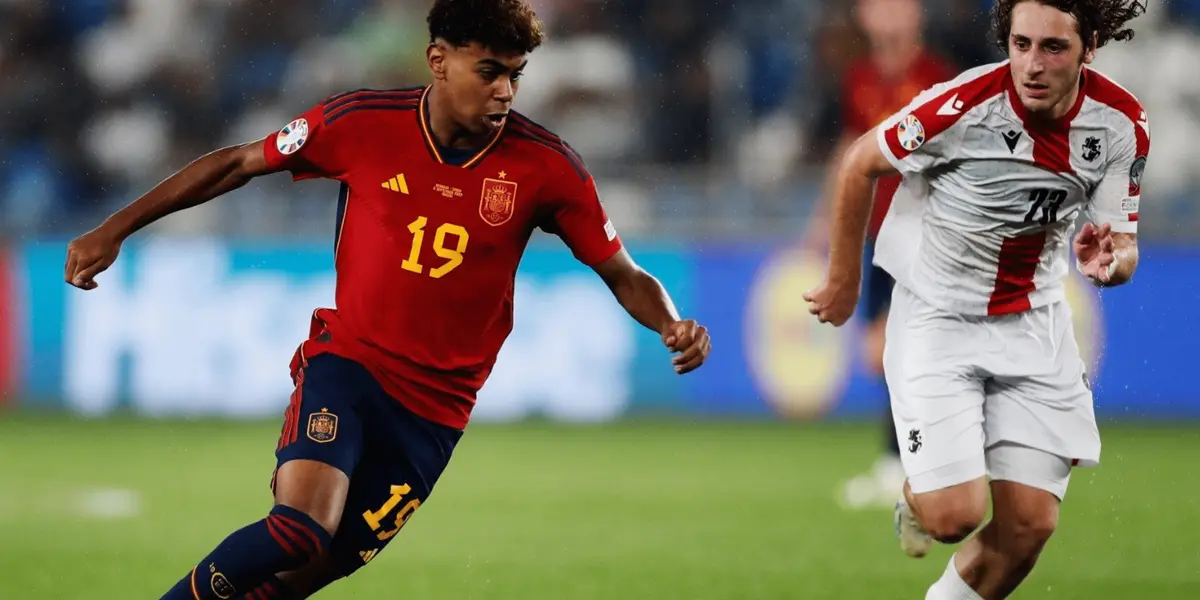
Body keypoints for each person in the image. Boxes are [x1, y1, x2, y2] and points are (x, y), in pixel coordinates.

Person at [63, 1, 712, 598]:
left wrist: (671, 323)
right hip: (351, 367)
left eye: (515, 74)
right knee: (297, 532)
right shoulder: (360, 122)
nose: (505, 92)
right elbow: (237, 163)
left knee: (294, 580)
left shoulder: (547, 167)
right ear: (439, 60)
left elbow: (622, 271)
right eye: (488, 71)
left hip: (435, 415)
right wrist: (115, 227)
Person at [804, 0, 1148, 598]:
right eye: (1020, 45)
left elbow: (1120, 244)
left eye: (1053, 47)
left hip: (1033, 322)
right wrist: (843, 281)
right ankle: (918, 496)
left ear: (1089, 48)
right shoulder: (962, 105)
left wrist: (1113, 262)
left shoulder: (1122, 124)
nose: (1032, 65)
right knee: (954, 516)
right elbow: (859, 162)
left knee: (1030, 526)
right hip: (939, 318)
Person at [806, 0, 957, 511]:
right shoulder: (859, 79)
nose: (888, 14)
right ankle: (910, 462)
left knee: (898, 346)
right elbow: (850, 150)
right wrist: (826, 219)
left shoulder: (940, 80)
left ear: (917, 14)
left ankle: (906, 465)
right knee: (883, 354)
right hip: (875, 235)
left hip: (928, 235)